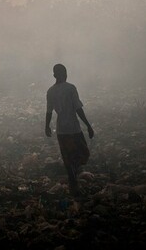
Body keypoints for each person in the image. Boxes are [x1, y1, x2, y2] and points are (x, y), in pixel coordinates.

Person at [45, 64, 94, 196]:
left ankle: (74, 180)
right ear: (64, 74)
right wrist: (88, 125)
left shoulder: (50, 91)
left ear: (54, 75)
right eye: (64, 72)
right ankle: (74, 183)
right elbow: (78, 108)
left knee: (68, 158)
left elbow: (49, 111)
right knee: (84, 153)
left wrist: (47, 126)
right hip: (73, 128)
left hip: (61, 130)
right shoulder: (71, 88)